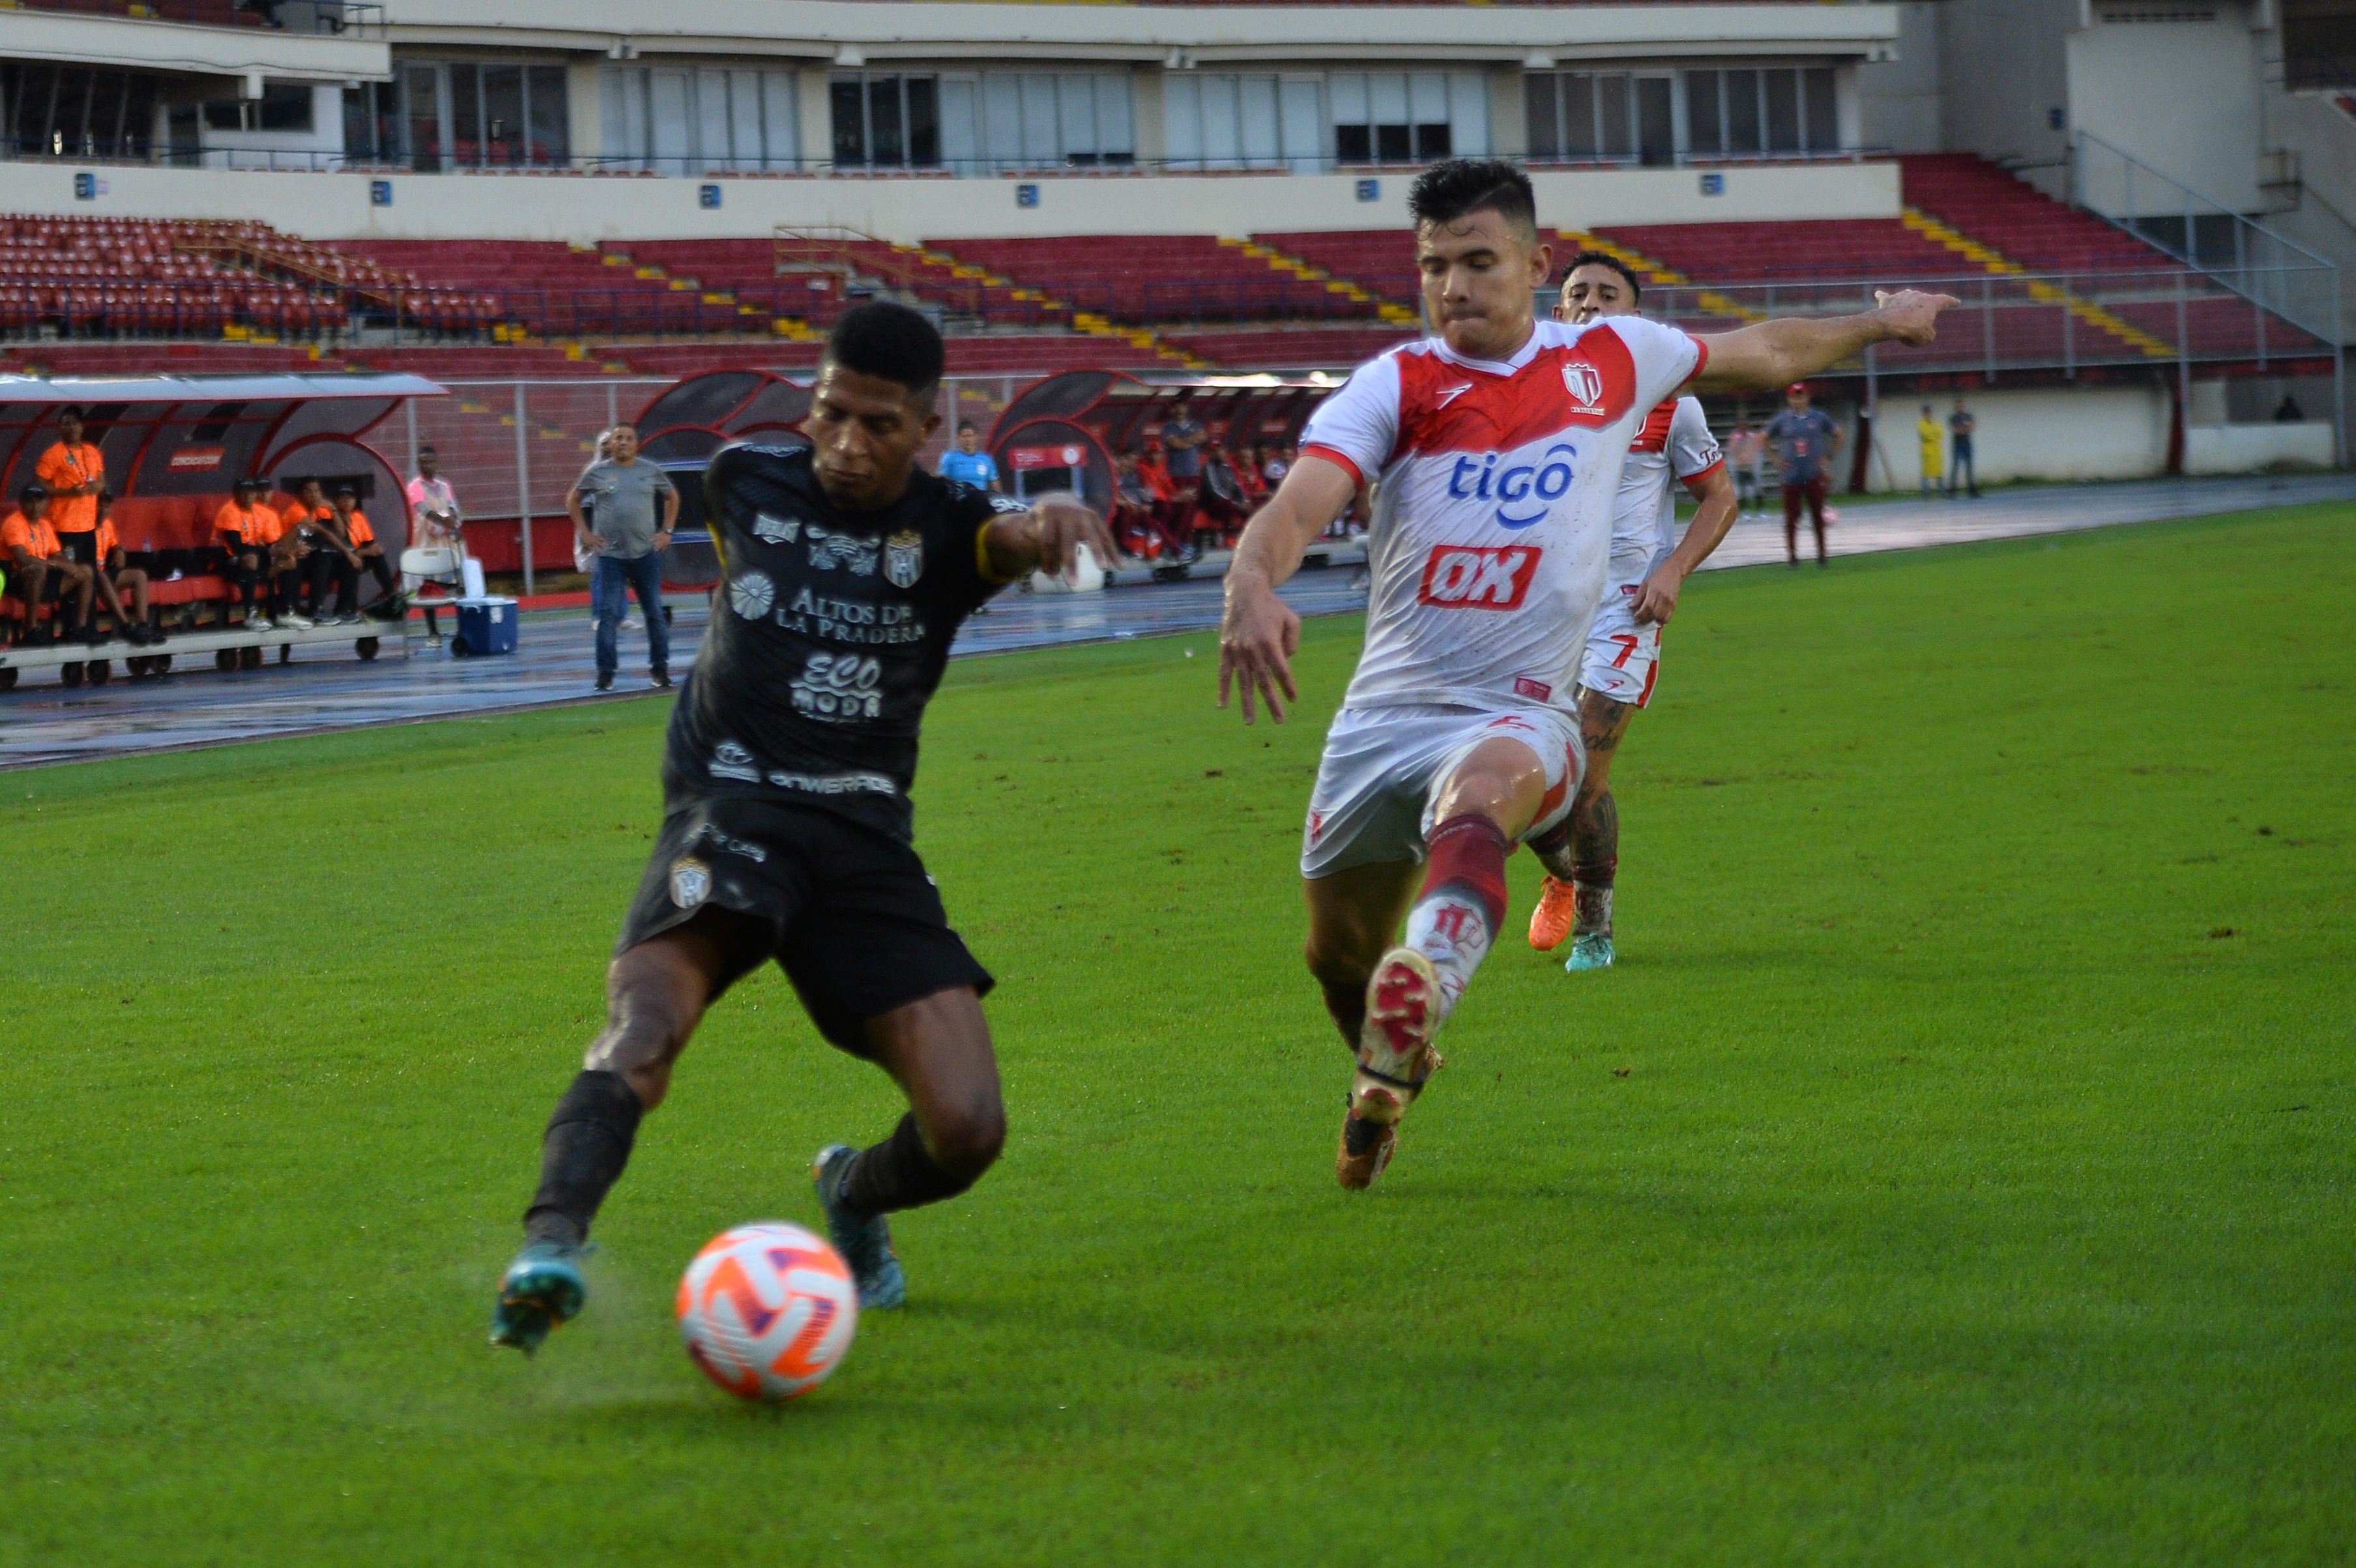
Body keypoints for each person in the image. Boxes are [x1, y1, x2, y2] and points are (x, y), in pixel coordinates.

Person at [1215, 158, 1955, 1190]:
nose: (1454, 288)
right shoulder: (1397, 383)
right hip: (1381, 714)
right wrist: (1251, 581)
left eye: (1478, 261)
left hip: (1516, 706)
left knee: (1481, 806)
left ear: (1534, 260)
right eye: (1434, 267)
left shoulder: (1612, 356)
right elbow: (1300, 503)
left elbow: (1762, 348)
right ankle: (1389, 1053)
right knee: (1334, 960)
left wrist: (1880, 322)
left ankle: (1427, 975)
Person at [488, 302, 1124, 1352]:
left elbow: (1001, 540)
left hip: (863, 840)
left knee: (967, 1130)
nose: (844, 445)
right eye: (830, 414)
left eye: (878, 425)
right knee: (644, 1029)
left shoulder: (947, 531)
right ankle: (552, 1243)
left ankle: (850, 1191)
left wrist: (1041, 518)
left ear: (926, 431)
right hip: (730, 806)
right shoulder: (748, 481)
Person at [1523, 252, 1741, 971]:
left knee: (1584, 774)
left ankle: (1594, 930)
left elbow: (1721, 498)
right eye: (1576, 293)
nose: (1589, 303)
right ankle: (1560, 872)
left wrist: (1673, 570)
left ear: (1635, 316)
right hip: (1539, 611)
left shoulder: (1673, 400)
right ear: (1559, 313)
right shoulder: (1527, 396)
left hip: (1624, 611)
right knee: (1522, 777)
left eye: (1607, 294)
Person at [570, 422, 676, 691]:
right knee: (607, 615)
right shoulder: (598, 472)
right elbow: (573, 499)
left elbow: (672, 496)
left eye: (629, 438)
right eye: (619, 438)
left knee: (654, 612)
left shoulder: (649, 471)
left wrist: (667, 531)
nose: (623, 443)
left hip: (645, 554)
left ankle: (660, 669)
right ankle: (606, 674)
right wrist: (586, 533)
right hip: (611, 556)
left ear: (636, 444)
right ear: (611, 444)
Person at [3, 482, 93, 645]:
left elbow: (57, 555)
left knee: (86, 571)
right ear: (22, 503)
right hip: (16, 579)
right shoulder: (14, 523)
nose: (35, 506)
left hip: (43, 578)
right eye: (30, 501)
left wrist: (69, 566)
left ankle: (79, 629)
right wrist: (57, 565)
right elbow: (23, 560)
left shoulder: (45, 525)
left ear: (46, 503)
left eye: (39, 501)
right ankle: (30, 629)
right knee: (37, 570)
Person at [1764, 383, 1840, 565]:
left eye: (1801, 396)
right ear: (1789, 399)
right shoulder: (1784, 419)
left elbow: (1839, 434)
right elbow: (1763, 437)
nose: (1798, 400)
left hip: (1813, 474)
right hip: (1792, 476)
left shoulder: (1818, 417)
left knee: (1817, 516)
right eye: (1794, 397)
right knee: (1791, 518)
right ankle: (1792, 556)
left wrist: (1827, 457)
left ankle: (1822, 554)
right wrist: (1775, 458)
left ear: (1807, 397)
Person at [35, 405, 105, 575]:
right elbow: (39, 485)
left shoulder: (93, 451)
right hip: (65, 526)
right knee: (73, 574)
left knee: (91, 574)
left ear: (82, 426)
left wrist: (94, 486)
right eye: (65, 424)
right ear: (59, 428)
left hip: (89, 526)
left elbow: (102, 481)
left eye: (74, 423)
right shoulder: (53, 454)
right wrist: (68, 492)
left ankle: (89, 603)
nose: (70, 427)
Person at [93, 493, 162, 646]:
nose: (104, 510)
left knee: (140, 575)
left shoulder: (107, 524)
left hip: (105, 572)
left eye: (107, 506)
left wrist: (120, 550)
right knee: (101, 576)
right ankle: (126, 626)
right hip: (90, 577)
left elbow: (114, 545)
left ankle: (143, 625)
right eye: (101, 505)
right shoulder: (84, 525)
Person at [212, 476, 279, 630]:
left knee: (284, 560)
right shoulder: (230, 510)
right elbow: (236, 546)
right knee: (251, 559)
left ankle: (281, 611)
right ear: (235, 495)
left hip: (247, 555)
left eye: (251, 493)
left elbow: (269, 541)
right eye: (243, 493)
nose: (247, 496)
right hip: (224, 557)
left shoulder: (257, 512)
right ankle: (251, 614)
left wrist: (279, 551)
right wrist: (267, 551)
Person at [405, 445, 462, 547]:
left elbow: (452, 507)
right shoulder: (414, 486)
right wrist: (446, 522)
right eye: (424, 462)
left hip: (446, 543)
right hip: (424, 545)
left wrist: (453, 520)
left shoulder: (444, 485)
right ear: (418, 464)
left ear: (437, 463)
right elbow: (425, 511)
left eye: (431, 462)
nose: (428, 466)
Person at [1160, 396, 1206, 504]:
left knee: (1192, 502)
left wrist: (1182, 440)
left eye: (1182, 407)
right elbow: (1176, 444)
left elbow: (1202, 437)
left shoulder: (1196, 424)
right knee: (1179, 503)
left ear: (1187, 408)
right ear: (1172, 410)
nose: (1180, 410)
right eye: (1177, 407)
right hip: (1176, 473)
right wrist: (1192, 440)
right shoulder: (1168, 427)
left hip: (1193, 471)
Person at [938, 421, 999, 492]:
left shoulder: (986, 459)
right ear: (958, 438)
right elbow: (941, 482)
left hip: (980, 500)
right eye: (964, 436)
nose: (967, 440)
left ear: (976, 437)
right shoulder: (949, 457)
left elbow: (995, 483)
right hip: (959, 500)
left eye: (970, 436)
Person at [1728, 420, 1765, 518]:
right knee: (1742, 490)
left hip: (1752, 466)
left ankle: (1761, 510)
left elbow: (1756, 450)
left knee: (1757, 488)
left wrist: (1752, 461)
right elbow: (1733, 451)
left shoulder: (1752, 437)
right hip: (1740, 467)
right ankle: (1745, 511)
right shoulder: (1735, 438)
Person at [1947, 398, 1979, 497]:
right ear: (1955, 407)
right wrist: (1965, 428)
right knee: (1956, 468)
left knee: (1969, 468)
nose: (1959, 407)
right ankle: (1952, 492)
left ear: (1963, 406)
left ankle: (1972, 491)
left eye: (1961, 405)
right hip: (1957, 445)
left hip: (1967, 444)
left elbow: (1973, 427)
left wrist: (1964, 429)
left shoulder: (1968, 416)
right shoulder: (1953, 418)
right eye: (1957, 406)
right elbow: (1955, 430)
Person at [1917, 403, 1945, 497]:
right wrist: (1934, 436)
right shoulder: (1921, 424)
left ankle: (1942, 492)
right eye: (1926, 413)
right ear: (1923, 414)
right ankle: (1926, 493)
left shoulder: (1936, 423)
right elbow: (1925, 435)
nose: (1928, 414)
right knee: (1926, 473)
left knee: (1939, 473)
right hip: (1927, 452)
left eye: (1929, 412)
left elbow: (1941, 434)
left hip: (1937, 452)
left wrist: (1933, 435)